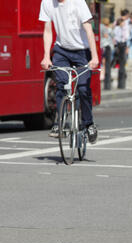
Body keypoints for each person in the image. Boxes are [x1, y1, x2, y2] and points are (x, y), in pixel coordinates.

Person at [39, 0, 98, 143]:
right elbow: (47, 30)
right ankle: (58, 124)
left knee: (83, 89)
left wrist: (94, 56)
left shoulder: (78, 2)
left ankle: (88, 124)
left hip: (82, 51)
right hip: (61, 50)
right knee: (61, 85)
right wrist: (46, 56)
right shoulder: (47, 2)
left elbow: (89, 30)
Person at [100, 17, 113, 90]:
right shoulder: (105, 28)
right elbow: (106, 36)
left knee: (102, 62)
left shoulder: (100, 26)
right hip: (106, 46)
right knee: (106, 64)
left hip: (100, 46)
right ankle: (105, 78)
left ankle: (102, 75)